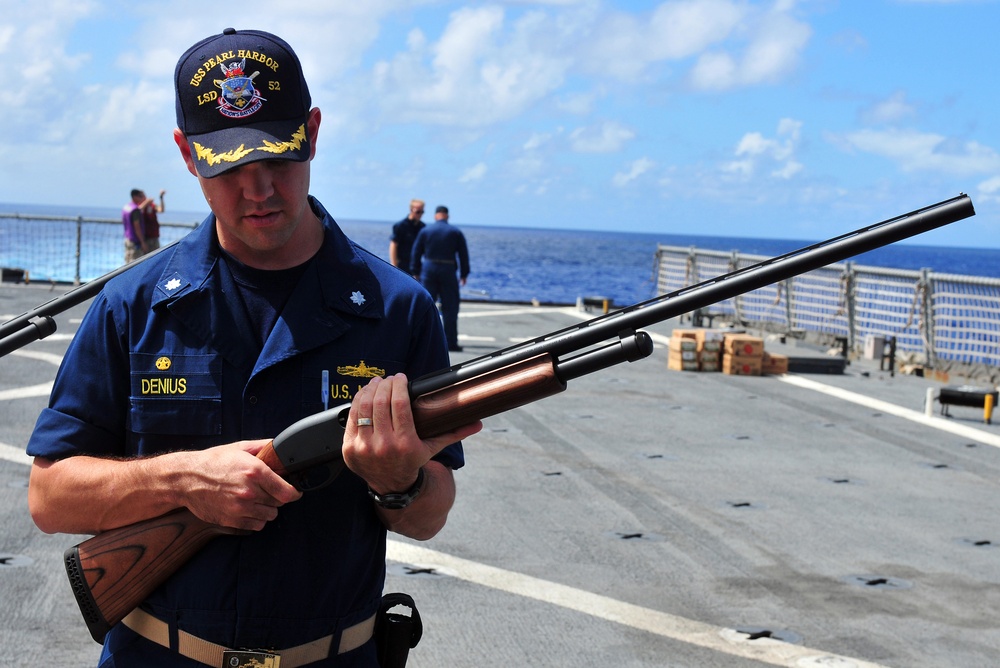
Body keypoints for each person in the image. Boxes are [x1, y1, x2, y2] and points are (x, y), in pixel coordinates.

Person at [26, 28, 481, 667]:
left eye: (279, 158)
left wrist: (398, 482)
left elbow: (430, 512)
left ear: (314, 133)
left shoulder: (398, 307)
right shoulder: (132, 304)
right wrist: (183, 477)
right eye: (230, 167)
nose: (259, 189)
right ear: (187, 155)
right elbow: (50, 498)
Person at [410, 205, 470, 352]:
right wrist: (464, 274)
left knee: (426, 305)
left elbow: (416, 252)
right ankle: (450, 343)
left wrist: (414, 271)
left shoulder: (426, 231)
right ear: (447, 216)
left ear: (435, 216)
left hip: (429, 269)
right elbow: (463, 254)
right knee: (450, 306)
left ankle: (422, 342)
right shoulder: (455, 232)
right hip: (448, 269)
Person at [388, 199, 425, 271]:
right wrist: (394, 265)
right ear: (411, 210)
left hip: (416, 265)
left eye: (422, 212)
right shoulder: (400, 226)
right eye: (418, 212)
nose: (420, 214)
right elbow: (393, 245)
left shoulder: (423, 227)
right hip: (402, 264)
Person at [121, 188, 149, 262]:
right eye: (140, 196)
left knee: (127, 262)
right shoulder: (135, 210)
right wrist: (142, 242)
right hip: (134, 242)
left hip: (127, 239)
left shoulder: (126, 207)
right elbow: (137, 227)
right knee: (135, 264)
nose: (142, 198)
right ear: (135, 197)